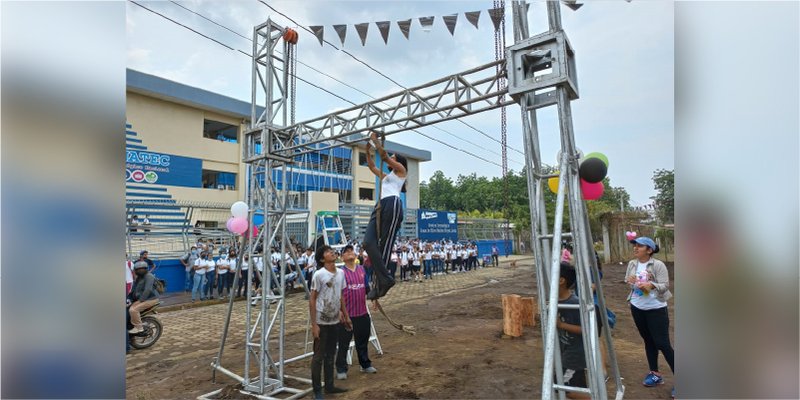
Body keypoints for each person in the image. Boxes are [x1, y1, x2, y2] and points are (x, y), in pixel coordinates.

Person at [625, 236, 674, 391]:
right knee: (648, 341)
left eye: (639, 246)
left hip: (656, 308)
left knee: (663, 344)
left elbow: (665, 285)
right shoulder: (632, 263)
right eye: (635, 245)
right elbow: (628, 280)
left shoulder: (658, 265)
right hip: (637, 307)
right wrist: (631, 279)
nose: (635, 248)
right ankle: (655, 374)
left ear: (649, 250)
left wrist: (651, 284)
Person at [363, 131, 407, 300]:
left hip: (392, 205)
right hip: (380, 206)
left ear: (398, 162)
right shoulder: (386, 176)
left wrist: (375, 142)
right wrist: (367, 151)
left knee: (385, 247)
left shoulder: (401, 171)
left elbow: (383, 156)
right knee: (368, 242)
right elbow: (372, 166)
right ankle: (385, 278)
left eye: (393, 156)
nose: (391, 157)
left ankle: (381, 282)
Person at [310, 245, 351, 399]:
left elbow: (340, 295)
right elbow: (312, 299)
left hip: (334, 320)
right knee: (318, 357)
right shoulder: (319, 275)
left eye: (332, 251)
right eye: (327, 252)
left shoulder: (341, 273)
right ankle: (317, 390)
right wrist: (314, 325)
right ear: (322, 259)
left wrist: (345, 315)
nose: (332, 252)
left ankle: (329, 386)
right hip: (321, 321)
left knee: (330, 354)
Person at [335, 245, 377, 380]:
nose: (350, 253)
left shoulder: (361, 270)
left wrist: (374, 299)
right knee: (343, 344)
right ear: (342, 257)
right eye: (346, 252)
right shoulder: (340, 273)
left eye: (351, 251)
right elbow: (336, 294)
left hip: (362, 313)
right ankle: (341, 369)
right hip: (347, 315)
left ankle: (365, 364)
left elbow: (366, 288)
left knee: (362, 341)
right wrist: (339, 312)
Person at [556, 262, 590, 399]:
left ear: (561, 281)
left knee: (561, 387)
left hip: (574, 356)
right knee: (577, 387)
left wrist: (561, 325)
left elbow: (586, 329)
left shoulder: (574, 303)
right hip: (566, 352)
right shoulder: (554, 301)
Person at [128, 261, 161, 334]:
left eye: (142, 269)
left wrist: (140, 300)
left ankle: (139, 328)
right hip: (142, 299)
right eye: (138, 269)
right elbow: (134, 289)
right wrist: (128, 297)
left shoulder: (149, 276)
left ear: (146, 269)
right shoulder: (139, 278)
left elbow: (148, 289)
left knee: (133, 310)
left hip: (151, 299)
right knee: (128, 308)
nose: (140, 270)